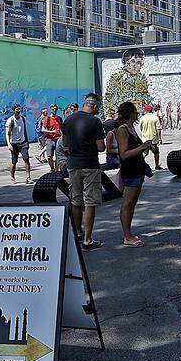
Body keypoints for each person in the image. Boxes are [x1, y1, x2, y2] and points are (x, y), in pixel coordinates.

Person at [62, 93, 106, 250]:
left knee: (76, 200)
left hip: (73, 165)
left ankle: (78, 233)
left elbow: (65, 143)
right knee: (90, 202)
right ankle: (88, 240)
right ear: (93, 106)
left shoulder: (69, 120)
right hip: (90, 165)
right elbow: (101, 147)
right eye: (97, 108)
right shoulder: (95, 121)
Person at [114, 101, 155, 247]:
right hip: (130, 170)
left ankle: (129, 233)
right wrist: (142, 146)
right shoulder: (123, 130)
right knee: (127, 204)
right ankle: (127, 236)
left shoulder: (131, 128)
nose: (137, 114)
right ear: (130, 113)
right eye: (135, 111)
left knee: (131, 203)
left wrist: (146, 147)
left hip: (137, 169)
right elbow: (124, 154)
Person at [4, 104, 33, 183]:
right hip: (14, 144)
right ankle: (12, 177)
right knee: (14, 161)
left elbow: (24, 130)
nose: (18, 111)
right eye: (17, 109)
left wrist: (27, 141)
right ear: (13, 110)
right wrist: (9, 144)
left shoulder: (23, 118)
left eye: (19, 109)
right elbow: (7, 134)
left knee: (26, 159)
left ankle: (28, 177)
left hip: (23, 142)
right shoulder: (10, 120)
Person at [138, 104, 163, 170]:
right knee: (156, 152)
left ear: (145, 110)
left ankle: (140, 165)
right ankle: (157, 166)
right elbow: (158, 129)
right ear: (151, 110)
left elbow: (141, 128)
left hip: (145, 139)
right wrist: (159, 138)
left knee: (144, 153)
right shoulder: (155, 117)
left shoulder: (142, 118)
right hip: (153, 139)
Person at [40, 104, 62, 172]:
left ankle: (56, 169)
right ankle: (52, 168)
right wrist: (52, 131)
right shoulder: (47, 119)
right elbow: (43, 129)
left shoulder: (59, 118)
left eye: (56, 109)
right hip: (50, 139)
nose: (54, 110)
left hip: (58, 139)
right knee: (49, 156)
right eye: (53, 109)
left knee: (58, 156)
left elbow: (62, 129)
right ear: (50, 109)